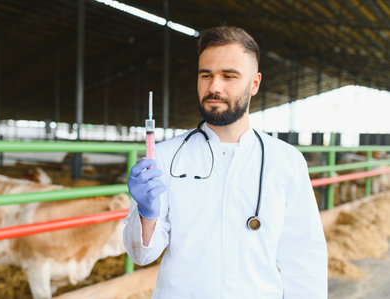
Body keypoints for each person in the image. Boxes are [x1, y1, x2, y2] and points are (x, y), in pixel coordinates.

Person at [123, 26, 327, 299]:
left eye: (228, 76)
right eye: (205, 75)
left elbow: (304, 256)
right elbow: (141, 254)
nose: (214, 87)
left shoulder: (286, 161)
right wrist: (146, 215)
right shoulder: (164, 156)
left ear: (254, 84)